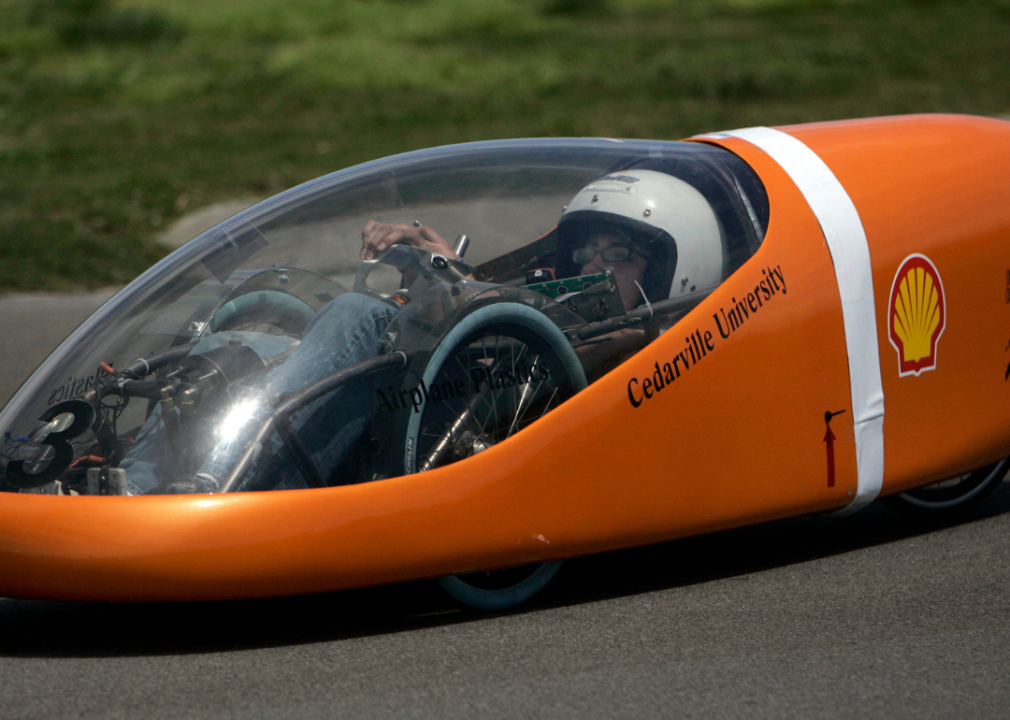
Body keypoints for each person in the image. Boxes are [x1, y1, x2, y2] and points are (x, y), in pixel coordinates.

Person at [129, 168, 723, 493]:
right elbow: (495, 323)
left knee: (359, 316)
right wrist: (444, 268)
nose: (593, 267)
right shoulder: (561, 308)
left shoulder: (648, 349)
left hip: (466, 425)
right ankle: (133, 486)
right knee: (240, 347)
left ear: (676, 269)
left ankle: (233, 484)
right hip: (440, 392)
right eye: (586, 251)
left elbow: (516, 359)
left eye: (619, 254)